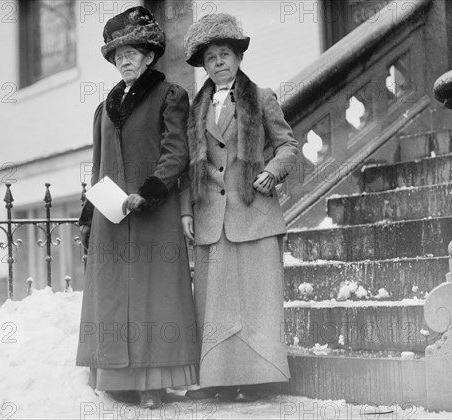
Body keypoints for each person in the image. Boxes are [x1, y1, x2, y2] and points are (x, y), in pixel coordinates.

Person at [76, 6, 199, 409]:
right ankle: (117, 380)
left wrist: (148, 191)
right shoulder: (104, 108)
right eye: (118, 54)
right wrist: (89, 215)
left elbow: (176, 152)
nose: (124, 59)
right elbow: (98, 167)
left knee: (152, 298)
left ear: (149, 55)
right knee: (112, 299)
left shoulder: (170, 95)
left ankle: (152, 384)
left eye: (132, 51)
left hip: (152, 212)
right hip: (112, 217)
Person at [180, 13, 299, 402]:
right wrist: (185, 211)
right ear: (203, 65)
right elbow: (187, 167)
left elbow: (287, 146)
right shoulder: (195, 110)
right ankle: (219, 381)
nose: (218, 62)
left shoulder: (261, 97)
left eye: (225, 53)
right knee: (217, 306)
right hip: (211, 218)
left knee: (255, 301)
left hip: (254, 215)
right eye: (211, 56)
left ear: (238, 58)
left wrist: (271, 172)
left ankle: (257, 379)